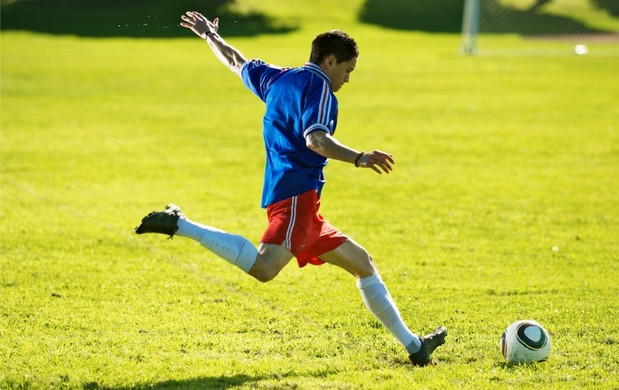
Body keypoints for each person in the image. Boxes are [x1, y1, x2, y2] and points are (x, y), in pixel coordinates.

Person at [135, 10, 447, 366]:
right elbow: (316, 140)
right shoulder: (322, 90)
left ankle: (414, 347)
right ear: (330, 61)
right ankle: (181, 224)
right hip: (297, 194)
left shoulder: (279, 79)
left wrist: (210, 36)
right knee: (265, 269)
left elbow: (237, 62)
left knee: (362, 263)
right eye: (347, 70)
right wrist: (360, 157)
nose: (347, 79)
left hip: (299, 201)